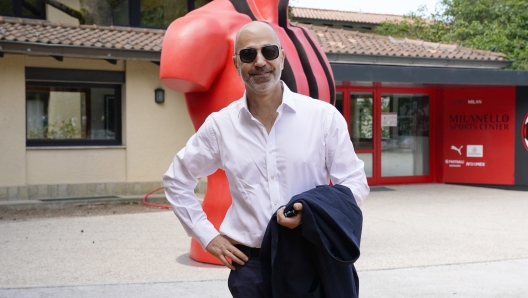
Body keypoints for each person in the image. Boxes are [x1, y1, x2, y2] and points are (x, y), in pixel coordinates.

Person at [163, 21, 369, 297]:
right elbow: (176, 180)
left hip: (310, 258)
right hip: (251, 268)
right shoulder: (220, 126)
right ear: (237, 63)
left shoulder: (323, 117)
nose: (260, 62)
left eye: (269, 51)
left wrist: (313, 215)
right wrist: (206, 236)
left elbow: (354, 182)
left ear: (282, 57)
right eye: (248, 55)